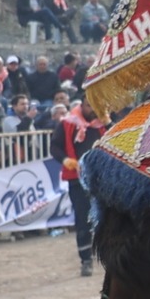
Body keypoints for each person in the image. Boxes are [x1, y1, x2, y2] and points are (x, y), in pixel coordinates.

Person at [54, 99, 107, 277]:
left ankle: (108, 257)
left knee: (107, 219)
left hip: (101, 178)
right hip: (77, 179)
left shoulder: (103, 122)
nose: (92, 110)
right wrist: (66, 160)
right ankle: (86, 260)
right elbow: (54, 147)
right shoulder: (67, 123)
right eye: (89, 106)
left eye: (94, 106)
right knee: (83, 221)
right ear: (82, 106)